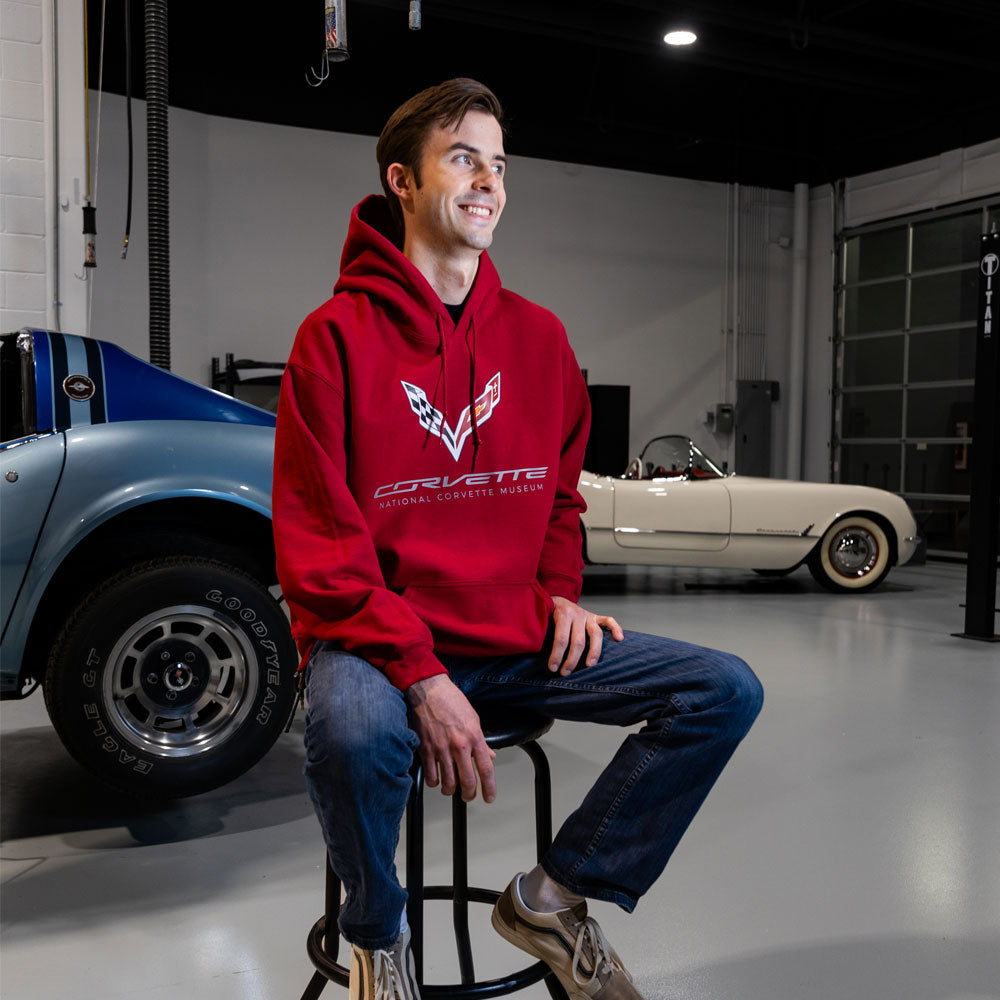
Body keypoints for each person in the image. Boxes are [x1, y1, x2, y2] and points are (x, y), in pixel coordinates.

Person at [273, 78, 763, 1000]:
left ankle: (553, 896)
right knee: (346, 731)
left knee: (721, 691)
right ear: (402, 183)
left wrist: (562, 592)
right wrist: (422, 678)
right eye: (464, 158)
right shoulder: (330, 341)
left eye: (499, 165)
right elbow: (321, 547)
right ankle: (378, 935)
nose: (489, 181)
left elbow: (558, 499)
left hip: (510, 635)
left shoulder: (539, 341)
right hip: (379, 647)